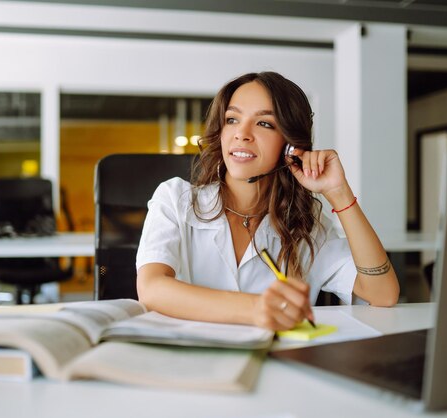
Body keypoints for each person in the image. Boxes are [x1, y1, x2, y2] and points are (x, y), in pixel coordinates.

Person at [136, 71, 400, 331]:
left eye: (264, 123)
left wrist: (339, 192)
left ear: (290, 145)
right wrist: (255, 308)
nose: (242, 133)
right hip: (190, 364)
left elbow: (382, 294)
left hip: (277, 365)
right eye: (232, 119)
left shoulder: (307, 225)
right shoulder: (175, 199)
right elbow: (152, 289)